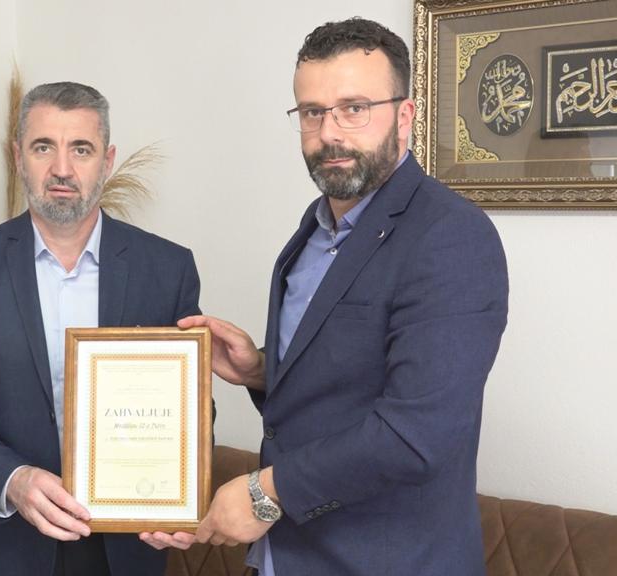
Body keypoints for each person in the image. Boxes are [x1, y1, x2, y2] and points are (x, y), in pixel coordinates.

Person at [149, 17, 509, 575]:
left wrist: (266, 492)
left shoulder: (450, 235)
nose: (330, 132)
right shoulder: (313, 228)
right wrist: (260, 372)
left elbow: (416, 435)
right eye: (312, 112)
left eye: (354, 108)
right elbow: (343, 386)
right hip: (285, 557)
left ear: (405, 117)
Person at [0, 81, 201, 576]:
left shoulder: (167, 268)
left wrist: (180, 494)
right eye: (43, 147)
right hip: (4, 548)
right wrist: (13, 479)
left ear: (107, 160)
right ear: (18, 157)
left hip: (126, 547)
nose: (62, 169)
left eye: (81, 149)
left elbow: (190, 403)